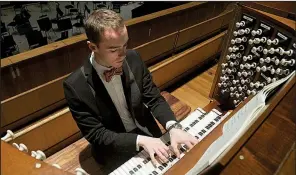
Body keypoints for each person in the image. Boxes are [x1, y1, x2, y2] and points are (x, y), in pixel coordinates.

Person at [63, 9, 198, 174]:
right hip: (114, 148)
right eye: (113, 50)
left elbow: (154, 98)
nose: (123, 54)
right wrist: (140, 141)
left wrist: (173, 126)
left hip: (146, 130)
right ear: (93, 47)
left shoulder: (134, 58)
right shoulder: (75, 86)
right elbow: (96, 134)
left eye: (125, 45)